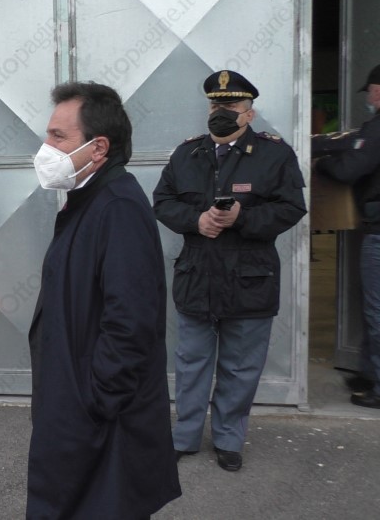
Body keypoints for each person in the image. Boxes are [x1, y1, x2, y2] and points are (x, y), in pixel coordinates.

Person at [27, 81, 181, 519]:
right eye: (48, 134)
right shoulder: (87, 200)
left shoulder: (117, 207)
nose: (46, 148)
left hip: (101, 422)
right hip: (77, 410)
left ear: (98, 148)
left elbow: (130, 322)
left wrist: (95, 401)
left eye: (59, 136)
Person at [153, 70, 307, 472]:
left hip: (249, 278)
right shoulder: (187, 154)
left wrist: (243, 218)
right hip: (197, 276)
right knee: (191, 363)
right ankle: (185, 436)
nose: (221, 112)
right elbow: (162, 201)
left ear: (249, 113)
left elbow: (292, 207)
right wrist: (196, 221)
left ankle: (228, 439)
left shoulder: (275, 155)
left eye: (231, 105)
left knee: (240, 366)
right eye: (215, 105)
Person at [312, 63, 380, 409]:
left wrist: (322, 163)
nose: (369, 98)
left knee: (376, 311)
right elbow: (355, 145)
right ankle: (368, 373)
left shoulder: (378, 127)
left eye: (370, 91)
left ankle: (378, 386)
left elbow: (351, 167)